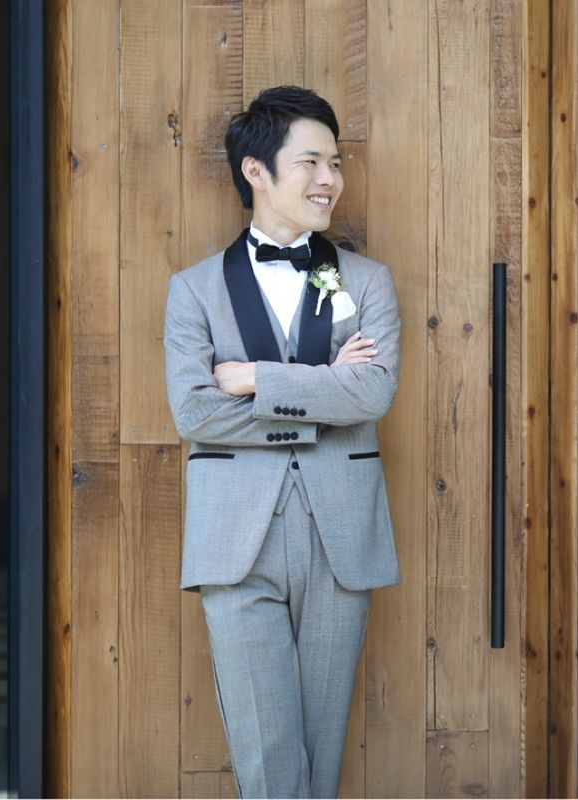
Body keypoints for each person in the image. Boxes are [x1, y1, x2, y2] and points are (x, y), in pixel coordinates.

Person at [163, 85, 401, 798]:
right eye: (311, 162)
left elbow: (371, 394)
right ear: (256, 171)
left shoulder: (365, 281)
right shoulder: (194, 290)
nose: (330, 179)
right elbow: (195, 413)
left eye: (336, 162)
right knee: (268, 763)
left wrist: (252, 380)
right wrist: (323, 392)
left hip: (340, 536)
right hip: (236, 541)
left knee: (319, 758)